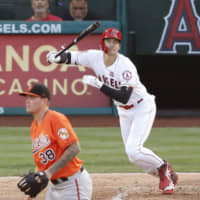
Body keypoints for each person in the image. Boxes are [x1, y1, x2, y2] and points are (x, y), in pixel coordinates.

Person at [46, 27, 178, 194]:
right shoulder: (94, 57)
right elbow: (72, 57)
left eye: (116, 42)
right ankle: (165, 174)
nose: (113, 45)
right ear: (103, 42)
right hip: (123, 111)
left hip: (141, 107)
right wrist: (57, 57)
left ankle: (163, 167)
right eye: (110, 41)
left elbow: (124, 95)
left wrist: (99, 85)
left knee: (133, 149)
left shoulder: (125, 65)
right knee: (132, 156)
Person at [18, 82, 92, 199]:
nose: (27, 100)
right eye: (26, 97)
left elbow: (74, 147)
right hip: (54, 188)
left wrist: (49, 172)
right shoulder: (34, 126)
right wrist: (34, 192)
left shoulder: (56, 119)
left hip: (73, 184)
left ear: (44, 101)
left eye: (32, 97)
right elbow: (43, 163)